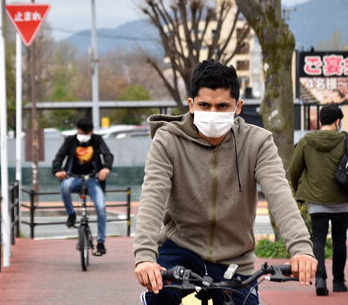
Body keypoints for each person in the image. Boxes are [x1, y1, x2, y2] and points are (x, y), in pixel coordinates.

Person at [133, 60, 317, 305]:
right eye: (204, 105)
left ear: (237, 106)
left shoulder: (257, 142)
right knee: (160, 296)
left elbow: (280, 194)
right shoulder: (168, 140)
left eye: (222, 106)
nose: (212, 114)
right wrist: (145, 257)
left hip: (235, 258)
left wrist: (300, 249)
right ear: (191, 105)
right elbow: (152, 196)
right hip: (180, 250)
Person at [290, 104, 348, 295]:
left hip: (316, 200)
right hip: (342, 199)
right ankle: (339, 281)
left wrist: (298, 188)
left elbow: (295, 169)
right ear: (338, 121)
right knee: (340, 240)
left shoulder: (307, 140)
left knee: (318, 240)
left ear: (320, 120)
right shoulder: (345, 140)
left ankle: (320, 280)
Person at [52, 117, 113, 256]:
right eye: (81, 133)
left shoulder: (97, 140)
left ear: (91, 131)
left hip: (93, 178)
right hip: (73, 176)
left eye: (87, 133)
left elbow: (108, 155)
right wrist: (57, 170)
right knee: (64, 187)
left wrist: (106, 168)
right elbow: (59, 157)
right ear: (77, 131)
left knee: (101, 208)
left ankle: (101, 242)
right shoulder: (70, 141)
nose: (84, 136)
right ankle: (71, 215)